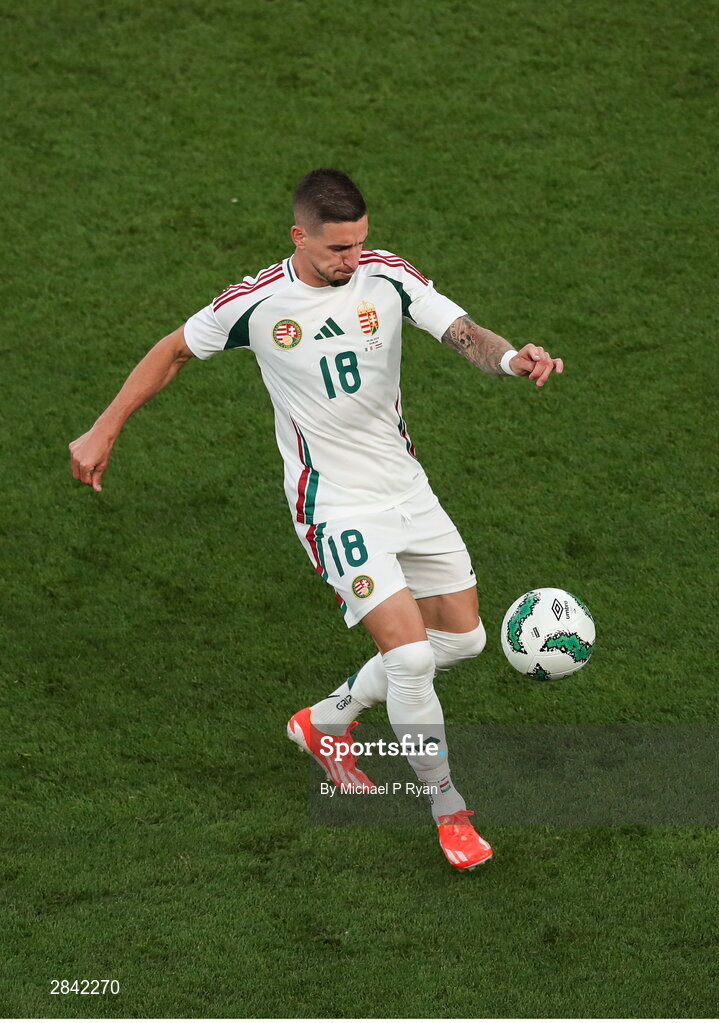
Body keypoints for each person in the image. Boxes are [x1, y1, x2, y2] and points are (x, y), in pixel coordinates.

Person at [69, 169, 563, 871]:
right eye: (336, 249)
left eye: (359, 244)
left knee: (465, 641)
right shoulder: (257, 302)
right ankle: (449, 810)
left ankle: (324, 720)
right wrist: (104, 427)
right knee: (412, 657)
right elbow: (174, 349)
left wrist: (513, 359)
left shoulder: (385, 276)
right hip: (332, 505)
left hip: (406, 490)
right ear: (299, 236)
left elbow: (460, 331)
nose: (350, 259)